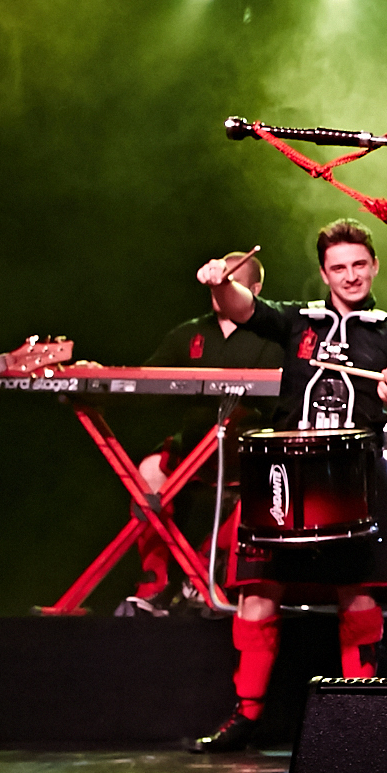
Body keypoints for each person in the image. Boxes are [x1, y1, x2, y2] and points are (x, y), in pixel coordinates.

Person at [185, 220, 387, 752]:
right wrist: (218, 282)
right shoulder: (298, 323)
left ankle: (359, 718)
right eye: (338, 267)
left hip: (359, 475)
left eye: (359, 265)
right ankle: (246, 716)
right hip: (286, 477)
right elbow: (241, 306)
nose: (350, 276)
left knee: (358, 597)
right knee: (259, 594)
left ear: (374, 266)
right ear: (324, 273)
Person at [119, 249, 285, 617]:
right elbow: (142, 384)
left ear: (254, 289)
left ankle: (202, 573)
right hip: (192, 454)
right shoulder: (189, 333)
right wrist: (91, 379)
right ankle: (155, 582)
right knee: (148, 470)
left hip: (250, 458)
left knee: (271, 487)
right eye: (217, 282)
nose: (221, 289)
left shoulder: (274, 338)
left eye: (232, 283)